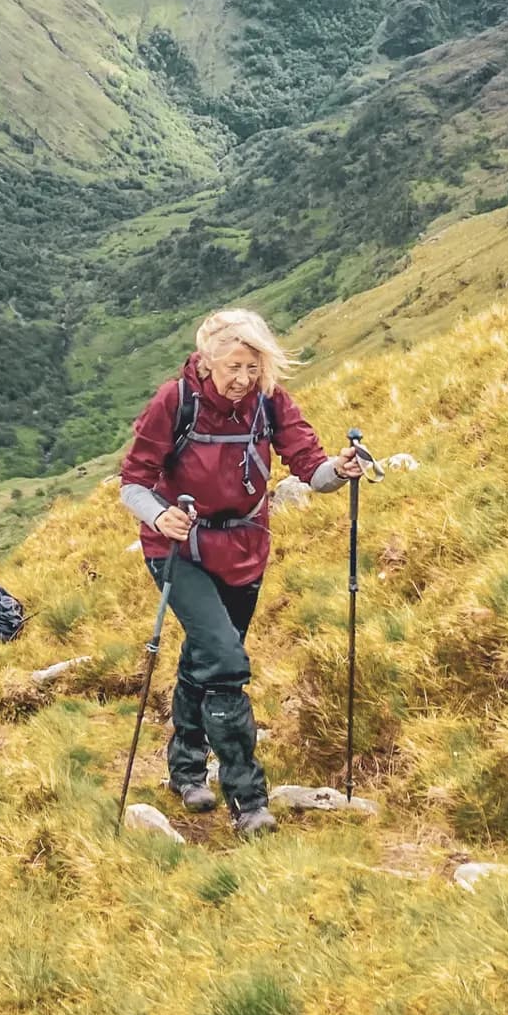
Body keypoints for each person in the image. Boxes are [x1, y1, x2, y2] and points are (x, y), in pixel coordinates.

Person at [119, 308, 371, 838]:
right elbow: (133, 480)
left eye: (253, 368)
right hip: (178, 546)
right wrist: (159, 514)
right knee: (228, 662)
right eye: (235, 366)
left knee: (208, 655)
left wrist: (338, 470)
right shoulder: (176, 400)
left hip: (244, 544)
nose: (244, 379)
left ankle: (185, 768)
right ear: (208, 358)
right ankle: (249, 801)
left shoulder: (268, 400)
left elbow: (309, 462)